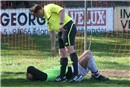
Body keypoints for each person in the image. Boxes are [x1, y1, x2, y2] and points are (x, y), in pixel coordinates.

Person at [30, 3, 79, 82]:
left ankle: (76, 75)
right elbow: (52, 33)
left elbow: (62, 11)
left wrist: (61, 24)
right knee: (62, 53)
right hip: (60, 31)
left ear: (38, 12)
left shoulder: (49, 7)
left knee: (69, 49)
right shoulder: (47, 18)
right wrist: (52, 47)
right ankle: (62, 76)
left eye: (36, 16)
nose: (38, 17)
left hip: (67, 26)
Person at [26, 50, 109, 82]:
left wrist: (29, 74)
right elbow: (30, 68)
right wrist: (29, 72)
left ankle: (94, 74)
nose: (28, 74)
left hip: (73, 68)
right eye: (30, 74)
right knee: (88, 57)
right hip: (74, 73)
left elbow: (31, 70)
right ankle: (96, 75)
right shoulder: (45, 76)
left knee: (88, 52)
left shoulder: (44, 72)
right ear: (36, 75)